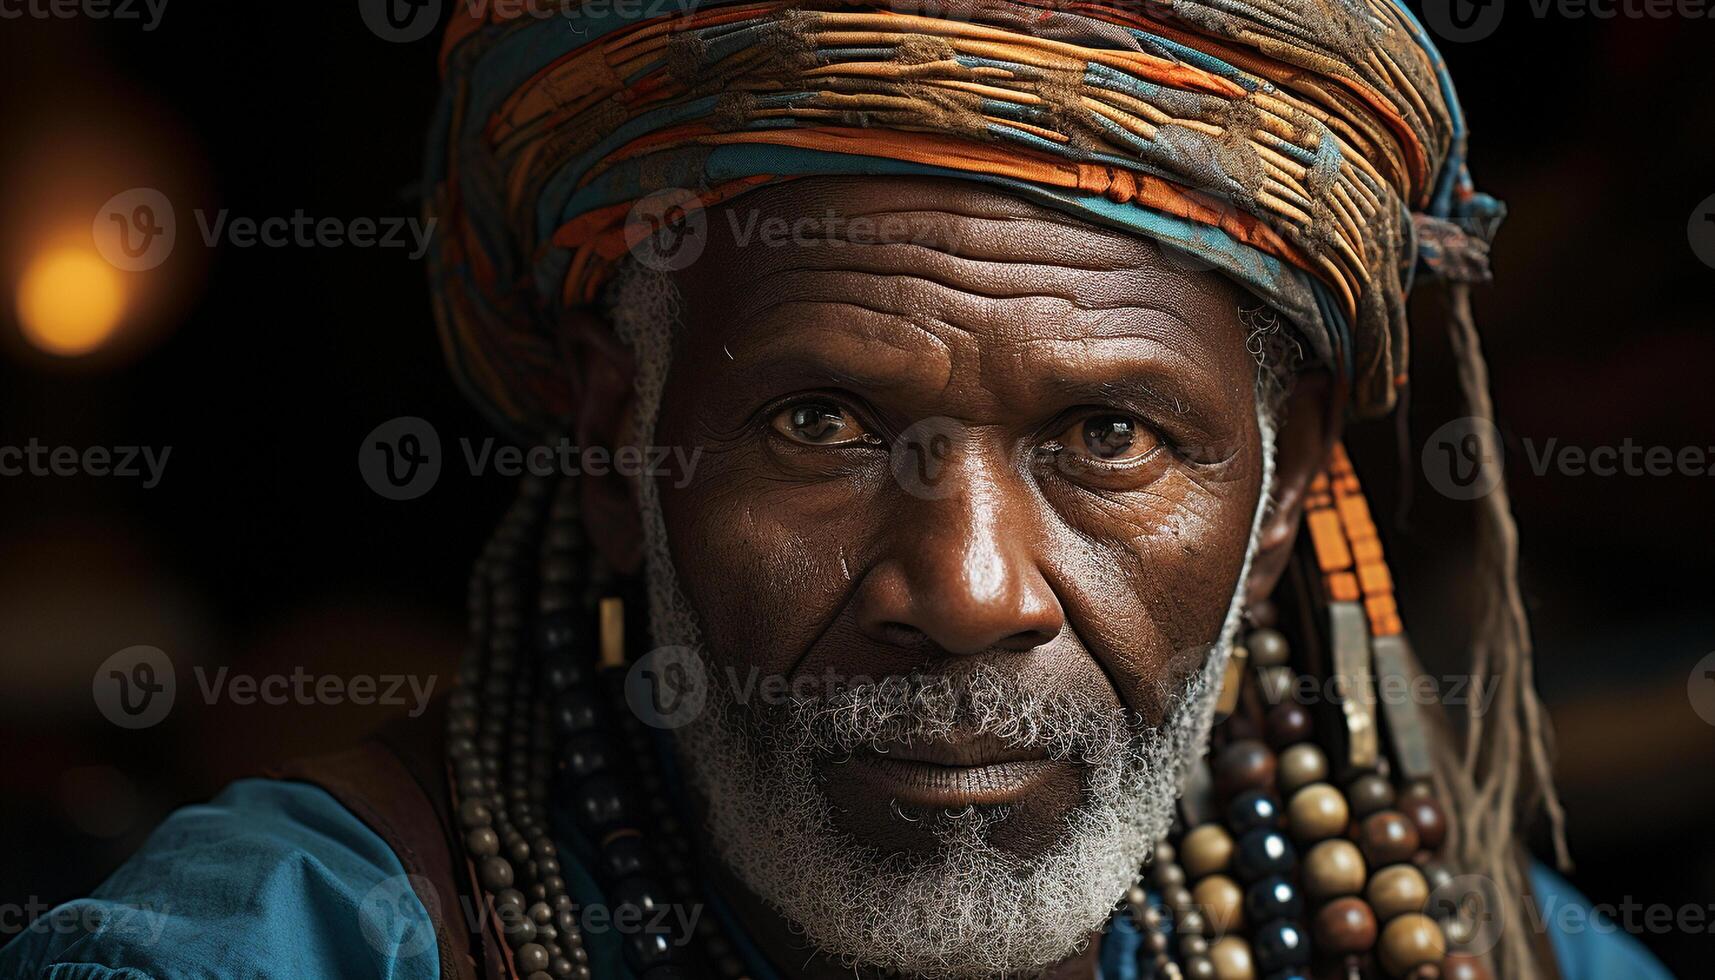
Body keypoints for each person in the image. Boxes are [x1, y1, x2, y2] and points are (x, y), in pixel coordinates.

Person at [0, 1, 1674, 978]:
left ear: (1284, 494)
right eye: (818, 423)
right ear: (617, 441)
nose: (966, 590)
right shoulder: (287, 945)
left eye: (1109, 439)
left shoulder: (1449, 934)